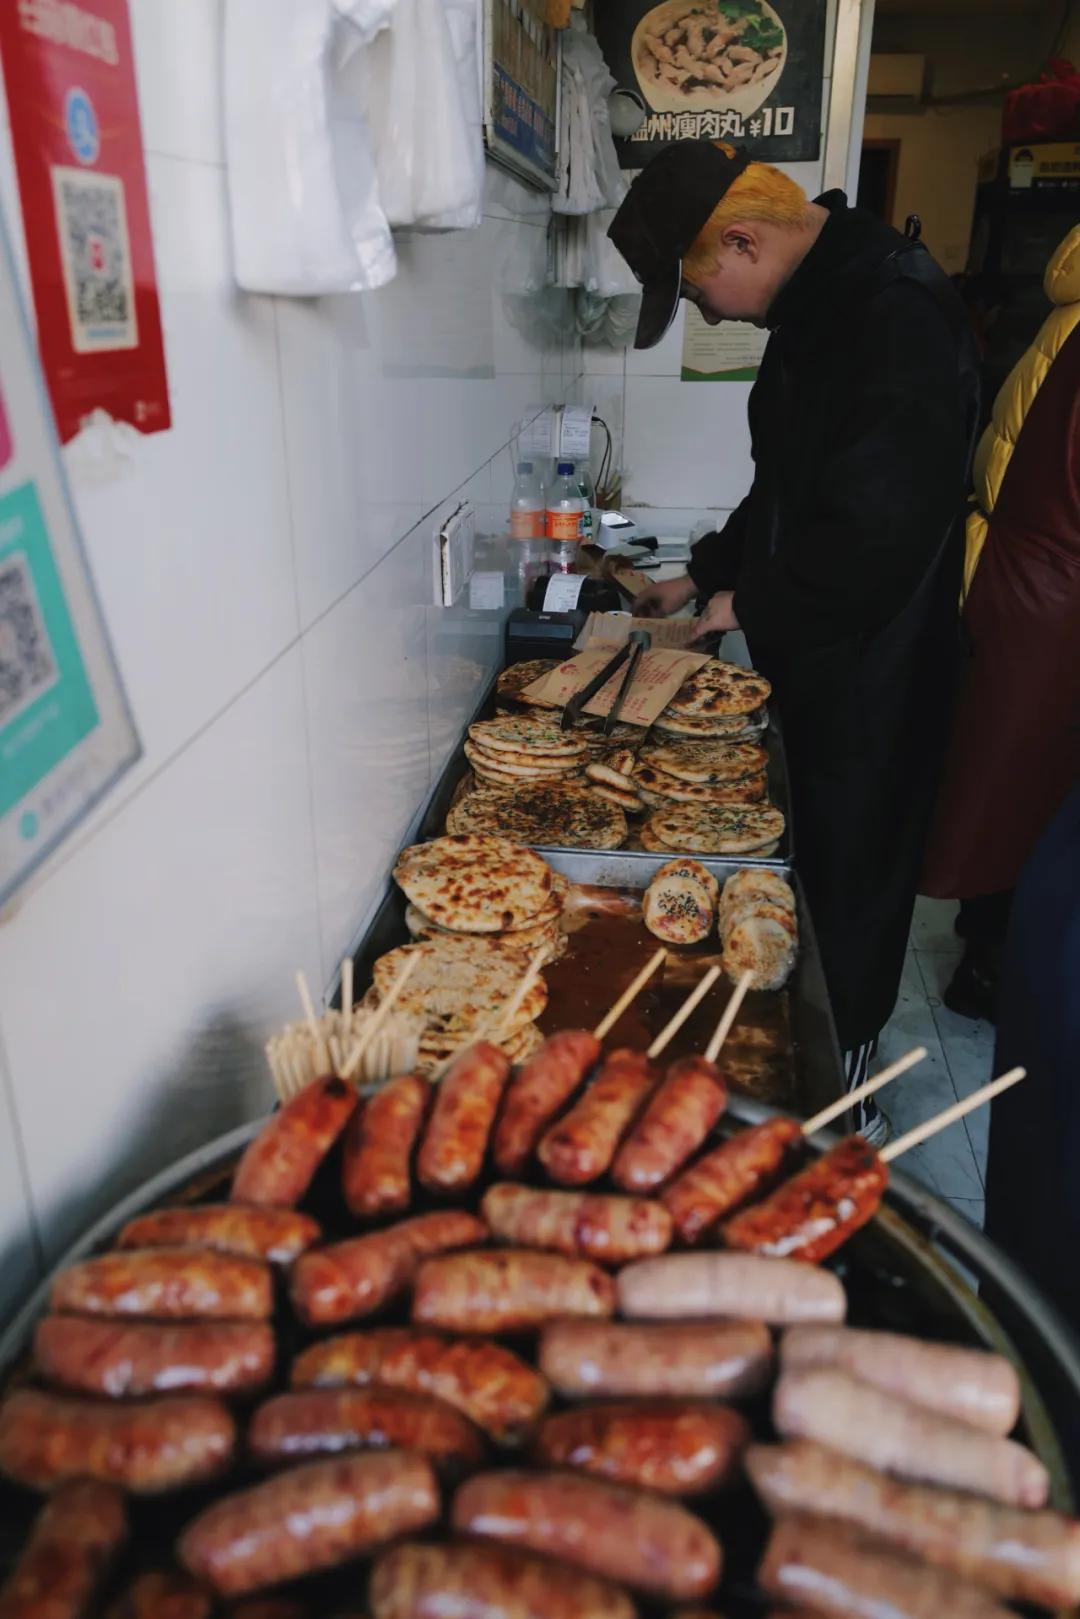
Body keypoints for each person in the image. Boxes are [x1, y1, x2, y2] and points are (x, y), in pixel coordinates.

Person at [608, 142, 980, 1142]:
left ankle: (837, 1110)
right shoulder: (820, 303)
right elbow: (788, 485)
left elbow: (878, 529)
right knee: (800, 884)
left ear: (741, 240)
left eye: (698, 290)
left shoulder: (892, 313)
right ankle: (795, 1086)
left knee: (846, 899)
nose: (707, 311)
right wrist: (706, 572)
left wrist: (750, 602)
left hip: (875, 673)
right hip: (818, 655)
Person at [920, 225, 1080, 1021]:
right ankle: (997, 971)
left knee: (1003, 788)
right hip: (1053, 601)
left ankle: (987, 955)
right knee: (1031, 801)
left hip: (1012, 580)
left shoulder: (1068, 306)